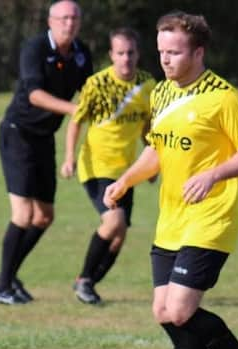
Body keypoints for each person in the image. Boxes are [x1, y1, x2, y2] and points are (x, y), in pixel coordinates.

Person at [104, 12, 238, 349]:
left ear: (198, 52)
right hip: (172, 219)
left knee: (179, 310)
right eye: (161, 51)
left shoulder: (223, 97)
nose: (165, 60)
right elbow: (156, 150)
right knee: (163, 312)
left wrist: (214, 174)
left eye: (174, 52)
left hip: (212, 216)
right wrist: (125, 180)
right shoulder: (161, 93)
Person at [0, 0, 93, 305]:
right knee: (23, 215)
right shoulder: (34, 49)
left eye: (74, 18)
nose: (68, 23)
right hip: (17, 133)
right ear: (50, 21)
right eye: (63, 18)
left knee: (44, 216)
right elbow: (35, 95)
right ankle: (2, 287)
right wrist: (76, 109)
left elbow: (91, 90)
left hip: (44, 138)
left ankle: (8, 278)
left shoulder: (81, 53)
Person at [60, 27, 156, 304]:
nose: (126, 59)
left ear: (138, 54)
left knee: (120, 233)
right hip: (97, 167)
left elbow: (148, 125)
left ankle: (87, 282)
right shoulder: (97, 83)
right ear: (111, 55)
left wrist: (152, 164)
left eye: (131, 53)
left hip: (127, 171)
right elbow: (76, 121)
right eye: (120, 53)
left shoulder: (148, 84)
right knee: (114, 221)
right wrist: (69, 157)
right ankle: (85, 282)